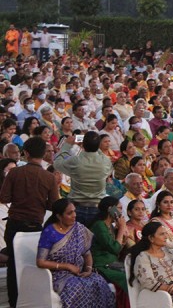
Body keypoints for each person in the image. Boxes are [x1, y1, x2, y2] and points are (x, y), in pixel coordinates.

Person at [0, 136, 59, 307]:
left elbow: (4, 197)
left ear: (25, 153)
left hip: (15, 224)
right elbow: (54, 205)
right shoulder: (49, 177)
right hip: (35, 226)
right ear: (43, 154)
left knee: (13, 265)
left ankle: (14, 302)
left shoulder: (15, 173)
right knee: (34, 265)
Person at [36, 198, 115, 308]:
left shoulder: (79, 228)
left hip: (78, 272)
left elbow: (87, 253)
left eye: (74, 211)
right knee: (76, 287)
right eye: (69, 213)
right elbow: (40, 262)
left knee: (99, 281)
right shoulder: (50, 232)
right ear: (59, 216)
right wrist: (67, 266)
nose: (74, 215)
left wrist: (88, 269)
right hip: (58, 275)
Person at [53, 131, 113, 227]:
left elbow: (57, 163)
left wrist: (67, 145)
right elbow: (104, 160)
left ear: (83, 144)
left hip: (76, 208)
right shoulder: (105, 161)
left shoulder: (75, 161)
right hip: (97, 208)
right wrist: (93, 145)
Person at [89, 196, 129, 301]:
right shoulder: (99, 226)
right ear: (110, 209)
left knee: (134, 272)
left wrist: (123, 237)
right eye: (119, 208)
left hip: (112, 262)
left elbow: (118, 250)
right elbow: (114, 249)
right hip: (101, 265)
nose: (121, 211)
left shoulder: (110, 225)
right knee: (127, 278)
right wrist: (121, 229)